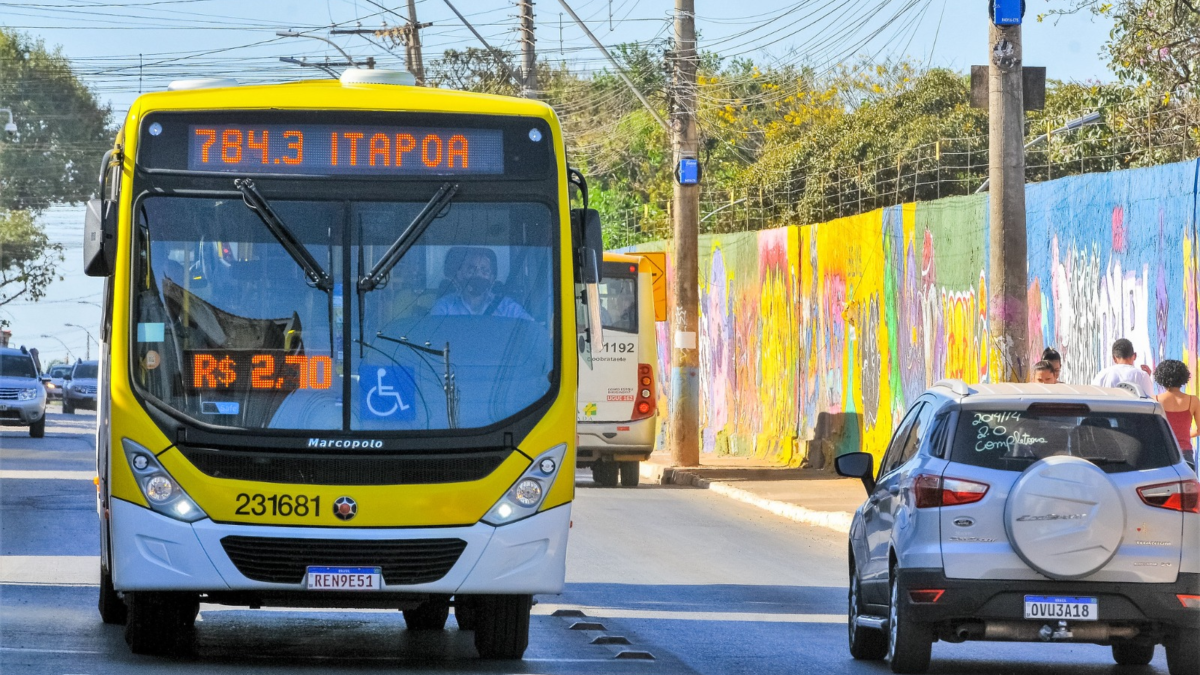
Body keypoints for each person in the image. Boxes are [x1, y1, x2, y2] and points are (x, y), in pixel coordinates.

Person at [430, 247, 532, 320]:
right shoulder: (444, 307)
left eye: (485, 271)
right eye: (471, 270)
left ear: (492, 278)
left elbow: (531, 331)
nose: (478, 274)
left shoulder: (507, 307)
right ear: (460, 274)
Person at [1153, 359, 1199, 467]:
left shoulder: (1154, 400)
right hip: (1185, 454)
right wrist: (1185, 435)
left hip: (1163, 452)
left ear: (1161, 378)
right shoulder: (1193, 401)